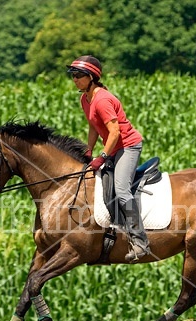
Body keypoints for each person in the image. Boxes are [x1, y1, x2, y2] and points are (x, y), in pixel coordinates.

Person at [66, 55, 150, 263]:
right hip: (114, 147)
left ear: (92, 77)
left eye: (78, 75)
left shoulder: (102, 100)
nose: (74, 79)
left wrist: (102, 156)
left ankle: (141, 242)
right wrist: (89, 150)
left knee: (122, 190)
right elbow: (94, 125)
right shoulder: (85, 98)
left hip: (128, 146)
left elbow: (115, 133)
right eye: (72, 75)